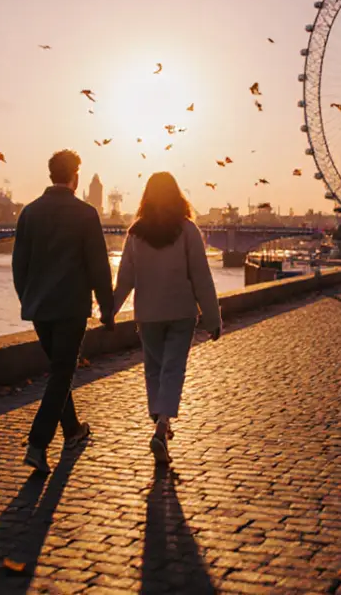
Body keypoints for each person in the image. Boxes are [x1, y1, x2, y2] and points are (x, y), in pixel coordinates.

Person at [12, 150, 115, 474]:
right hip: (70, 307)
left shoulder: (29, 213)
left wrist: (28, 299)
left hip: (39, 308)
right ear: (76, 176)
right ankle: (37, 443)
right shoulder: (85, 214)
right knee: (61, 374)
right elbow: (98, 266)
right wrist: (107, 308)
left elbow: (19, 266)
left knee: (60, 372)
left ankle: (72, 432)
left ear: (50, 174)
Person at [113, 172, 221, 465]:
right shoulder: (187, 230)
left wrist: (109, 310)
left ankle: (160, 420)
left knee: (154, 369)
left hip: (148, 313)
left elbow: (125, 278)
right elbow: (201, 277)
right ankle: (162, 425)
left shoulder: (135, 233)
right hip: (181, 311)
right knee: (173, 369)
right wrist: (213, 318)